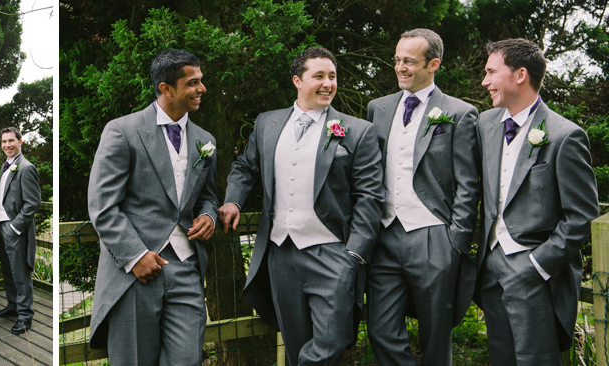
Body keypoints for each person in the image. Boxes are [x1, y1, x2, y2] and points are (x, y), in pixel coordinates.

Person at [219, 47, 383, 365]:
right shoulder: (267, 123)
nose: (328, 83)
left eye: (332, 76)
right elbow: (245, 167)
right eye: (318, 76)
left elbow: (370, 197)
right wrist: (233, 200)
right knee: (296, 347)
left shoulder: (357, 131)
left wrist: (353, 255)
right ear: (297, 80)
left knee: (330, 343)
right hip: (280, 254)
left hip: (334, 255)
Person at [87, 49, 218, 364]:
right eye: (193, 82)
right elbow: (102, 205)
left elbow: (208, 195)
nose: (202, 89)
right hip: (135, 273)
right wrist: (134, 256)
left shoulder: (205, 139)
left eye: (201, 81)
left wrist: (209, 215)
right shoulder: (122, 130)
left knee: (187, 359)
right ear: (166, 89)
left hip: (186, 267)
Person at [476, 38, 598, 365]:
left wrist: (537, 266)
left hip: (534, 271)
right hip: (490, 267)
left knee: (536, 361)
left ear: (519, 75)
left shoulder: (564, 135)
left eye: (491, 72)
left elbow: (581, 216)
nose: (485, 81)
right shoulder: (486, 125)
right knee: (501, 357)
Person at [365, 28, 480, 365]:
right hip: (385, 235)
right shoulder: (378, 109)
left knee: (435, 334)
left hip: (433, 236)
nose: (401, 67)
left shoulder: (459, 112)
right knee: (380, 329)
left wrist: (455, 241)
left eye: (410, 62)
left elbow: (468, 183)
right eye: (398, 60)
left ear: (433, 64)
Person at [0, 126, 41, 335]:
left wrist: (14, 227)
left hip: (15, 229)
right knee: (8, 271)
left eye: (11, 141)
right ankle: (12, 306)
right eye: (4, 142)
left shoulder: (26, 167)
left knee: (20, 273)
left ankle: (24, 316)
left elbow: (32, 203)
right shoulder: (5, 166)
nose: (7, 145)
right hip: (0, 227)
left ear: (20, 142)